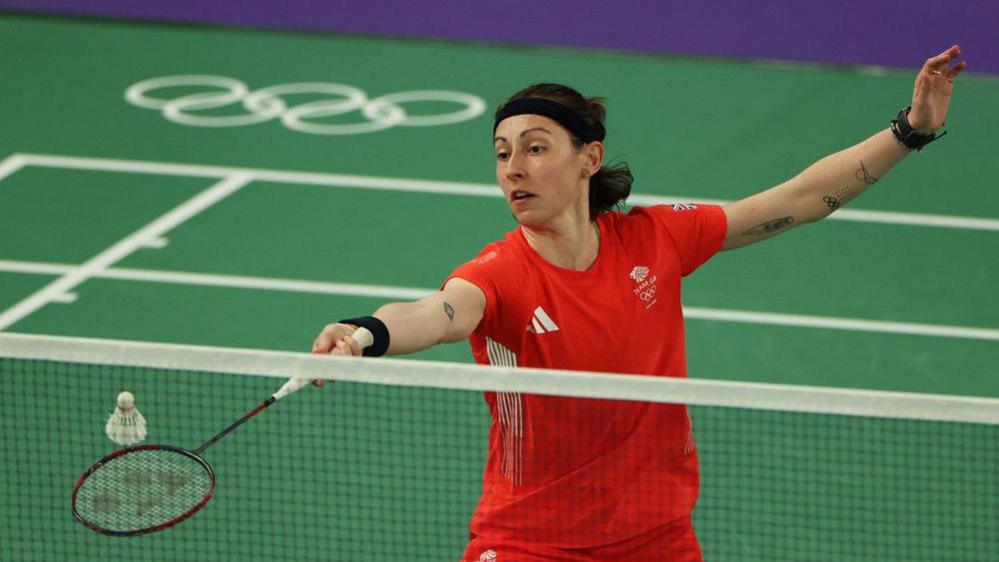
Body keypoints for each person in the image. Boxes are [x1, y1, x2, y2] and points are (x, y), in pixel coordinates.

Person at [313, 46, 966, 562]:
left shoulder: (655, 238)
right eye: (502, 153)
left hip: (656, 535)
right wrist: (364, 332)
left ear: (587, 157)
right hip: (527, 540)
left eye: (535, 148)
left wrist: (910, 131)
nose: (513, 167)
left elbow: (790, 204)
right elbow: (437, 312)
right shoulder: (498, 274)